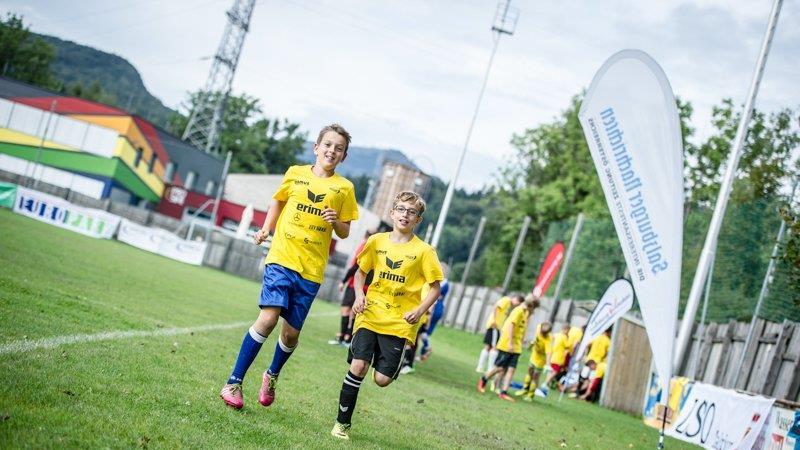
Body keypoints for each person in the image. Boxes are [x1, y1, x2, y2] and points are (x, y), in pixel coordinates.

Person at [220, 124, 359, 410]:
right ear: (316, 147)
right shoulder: (294, 173)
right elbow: (277, 202)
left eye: (339, 148)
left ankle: (271, 375)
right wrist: (265, 230)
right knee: (268, 319)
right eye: (328, 145)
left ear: (343, 156)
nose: (332, 150)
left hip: (311, 270)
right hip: (282, 258)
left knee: (290, 334)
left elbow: (345, 232)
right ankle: (233, 382)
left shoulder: (344, 188)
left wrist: (336, 221)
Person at [331, 191, 443, 440]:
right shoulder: (376, 242)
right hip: (370, 314)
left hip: (399, 323)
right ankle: (341, 424)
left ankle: (383, 366)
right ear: (392, 213)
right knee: (358, 366)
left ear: (418, 220)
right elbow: (361, 272)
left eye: (411, 212)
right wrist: (359, 295)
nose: (405, 215)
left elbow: (435, 287)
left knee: (382, 379)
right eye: (401, 209)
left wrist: (420, 310)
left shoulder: (425, 252)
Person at [477, 295, 539, 402]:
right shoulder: (518, 311)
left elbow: (522, 328)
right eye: (534, 308)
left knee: (511, 369)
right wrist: (510, 343)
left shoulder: (526, 313)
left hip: (517, 346)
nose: (533, 311)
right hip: (507, 345)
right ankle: (484, 379)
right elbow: (511, 326)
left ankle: (503, 392)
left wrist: (522, 340)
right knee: (500, 368)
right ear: (530, 305)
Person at [328, 230, 373, 346]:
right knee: (354, 312)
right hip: (364, 286)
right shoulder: (373, 249)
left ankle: (343, 337)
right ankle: (347, 339)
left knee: (346, 309)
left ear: (366, 236)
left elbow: (355, 267)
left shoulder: (365, 246)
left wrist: (343, 281)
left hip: (355, 284)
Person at [475, 294, 523, 373]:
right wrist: (494, 320)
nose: (516, 306)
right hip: (495, 326)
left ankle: (481, 367)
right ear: (517, 300)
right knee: (494, 347)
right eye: (517, 304)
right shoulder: (506, 300)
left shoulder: (508, 305)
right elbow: (496, 307)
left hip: (496, 326)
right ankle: (489, 368)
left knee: (489, 346)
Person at [419, 264, 450, 361]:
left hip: (435, 307)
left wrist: (429, 312)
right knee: (423, 331)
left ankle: (426, 350)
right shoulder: (443, 282)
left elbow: (434, 297)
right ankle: (423, 353)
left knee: (424, 329)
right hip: (436, 307)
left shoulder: (442, 283)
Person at [515, 321, 551, 401]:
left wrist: (548, 365)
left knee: (535, 377)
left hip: (540, 361)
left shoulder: (548, 341)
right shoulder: (539, 328)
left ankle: (530, 395)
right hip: (534, 356)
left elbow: (548, 353)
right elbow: (535, 338)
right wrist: (531, 344)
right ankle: (525, 389)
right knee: (529, 371)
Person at [544, 324, 571, 389]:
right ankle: (545, 383)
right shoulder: (564, 337)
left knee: (551, 371)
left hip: (552, 356)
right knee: (555, 371)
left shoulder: (555, 335)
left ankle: (547, 383)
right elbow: (567, 345)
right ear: (566, 330)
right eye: (568, 331)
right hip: (558, 357)